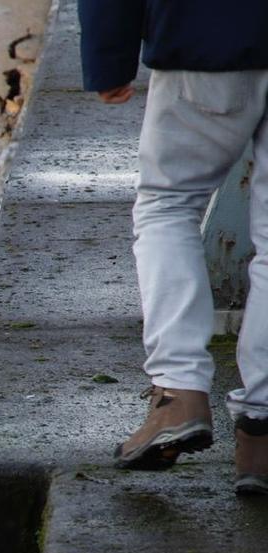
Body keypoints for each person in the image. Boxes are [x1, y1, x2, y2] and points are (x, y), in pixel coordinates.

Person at [81, 0, 268, 494]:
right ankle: (262, 433)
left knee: (168, 206)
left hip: (207, 33)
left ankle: (178, 393)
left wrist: (109, 56)